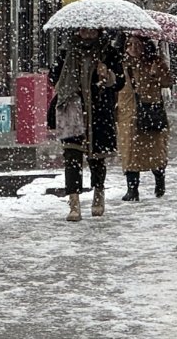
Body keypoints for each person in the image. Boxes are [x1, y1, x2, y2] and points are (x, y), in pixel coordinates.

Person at [49, 28, 125, 222]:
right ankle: (74, 205)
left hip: (99, 111)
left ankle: (98, 196)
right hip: (72, 109)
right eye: (84, 30)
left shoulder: (109, 51)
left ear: (98, 31)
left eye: (92, 30)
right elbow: (52, 77)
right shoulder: (67, 50)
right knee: (71, 156)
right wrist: (64, 74)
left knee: (97, 158)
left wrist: (107, 74)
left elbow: (120, 82)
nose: (87, 34)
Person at [117, 35, 172, 201]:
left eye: (137, 44)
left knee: (155, 150)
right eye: (129, 44)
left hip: (151, 111)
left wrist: (159, 70)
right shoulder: (120, 63)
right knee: (130, 151)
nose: (133, 48)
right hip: (128, 113)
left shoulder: (154, 62)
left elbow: (167, 81)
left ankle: (159, 180)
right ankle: (132, 189)